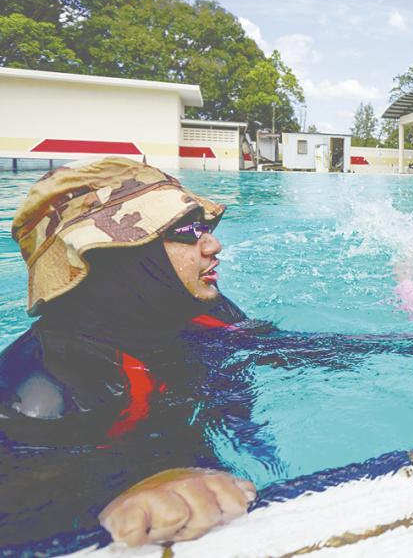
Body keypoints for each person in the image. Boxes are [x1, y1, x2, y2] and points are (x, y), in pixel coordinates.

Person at [0, 158, 258, 548]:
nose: (213, 244)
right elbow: (23, 521)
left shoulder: (202, 310)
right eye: (187, 231)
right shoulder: (40, 395)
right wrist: (124, 499)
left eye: (205, 227)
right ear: (108, 255)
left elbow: (292, 352)